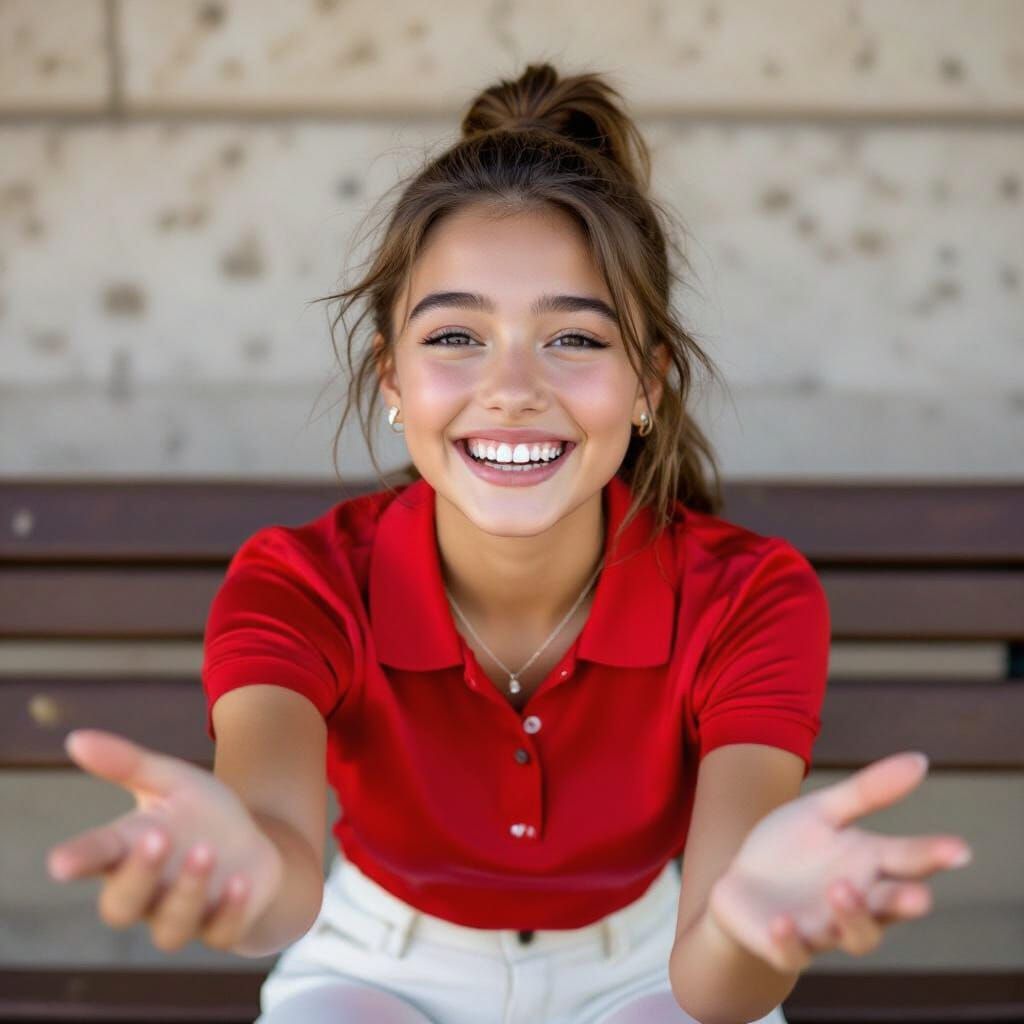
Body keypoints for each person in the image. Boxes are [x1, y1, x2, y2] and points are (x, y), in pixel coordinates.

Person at [45, 62, 974, 1024]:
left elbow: (712, 982)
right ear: (392, 376)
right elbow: (276, 877)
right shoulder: (302, 582)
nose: (514, 387)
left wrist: (746, 927)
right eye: (455, 337)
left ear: (649, 380)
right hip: (376, 961)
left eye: (575, 339)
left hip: (647, 960)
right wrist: (236, 871)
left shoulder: (750, 595)